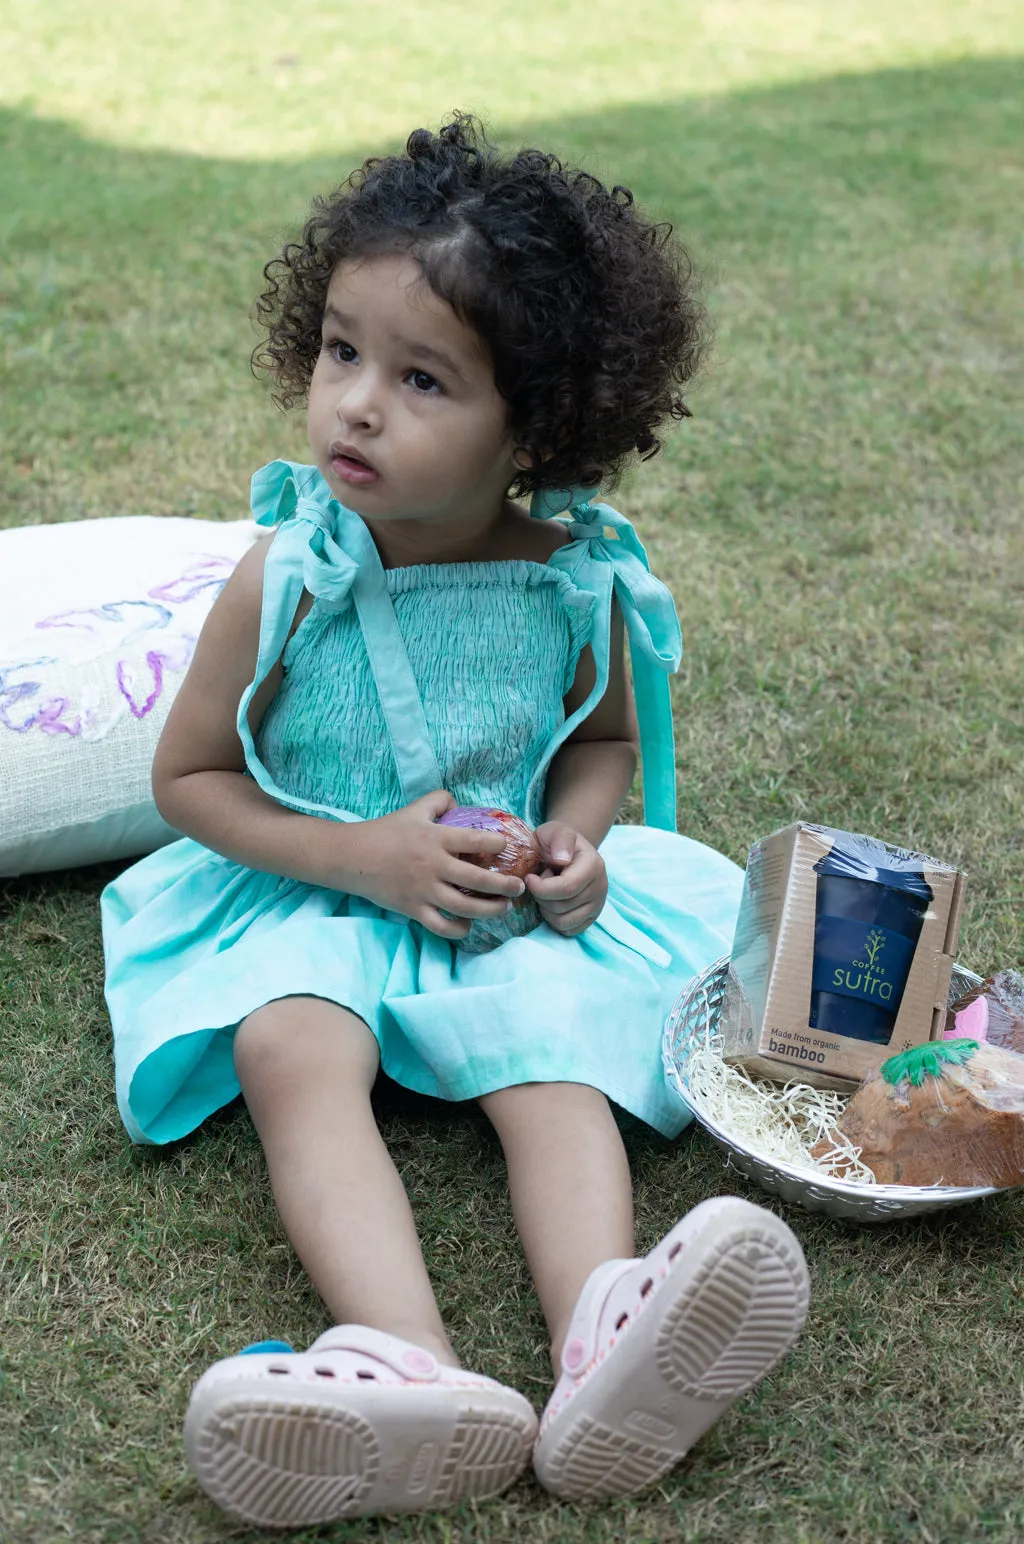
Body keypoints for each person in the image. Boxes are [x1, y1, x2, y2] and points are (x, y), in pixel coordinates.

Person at [101, 115, 809, 1529]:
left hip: (489, 904)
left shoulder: (573, 581)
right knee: (293, 1044)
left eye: (421, 378)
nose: (355, 404)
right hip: (310, 884)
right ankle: (400, 1363)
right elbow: (189, 784)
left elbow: (600, 745)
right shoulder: (288, 576)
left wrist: (573, 843)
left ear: (534, 427)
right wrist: (361, 855)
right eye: (341, 351)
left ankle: (607, 1333)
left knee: (550, 1057)